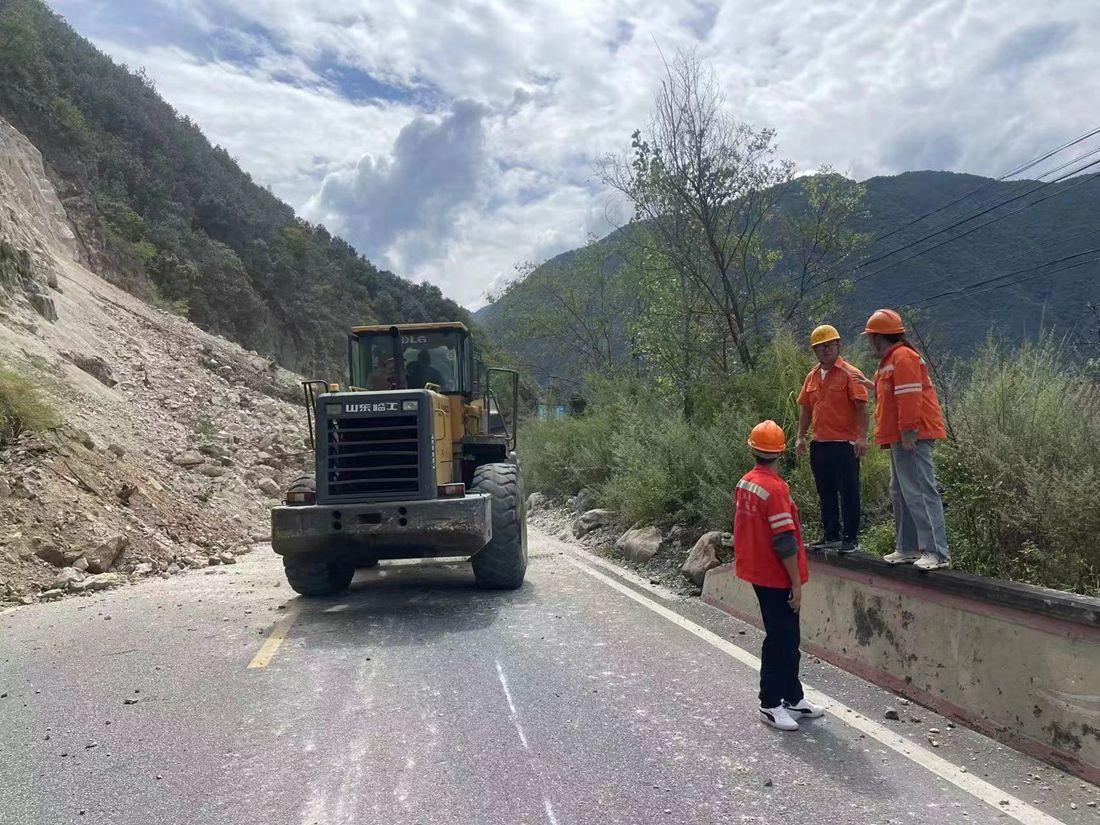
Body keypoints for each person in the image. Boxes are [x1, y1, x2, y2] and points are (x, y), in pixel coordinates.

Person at [733, 420, 824, 731]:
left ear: (753, 450)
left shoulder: (746, 482)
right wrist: (796, 584)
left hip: (758, 570)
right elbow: (784, 541)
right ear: (780, 453)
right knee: (780, 639)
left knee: (788, 637)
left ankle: (793, 696)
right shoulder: (775, 488)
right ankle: (770, 702)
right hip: (775, 576)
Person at [863, 309, 949, 571]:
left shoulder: (903, 358)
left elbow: (909, 398)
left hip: (912, 436)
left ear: (879, 337)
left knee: (921, 490)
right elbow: (891, 397)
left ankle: (936, 552)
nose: (869, 343)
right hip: (900, 437)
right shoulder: (892, 360)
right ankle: (908, 547)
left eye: (870, 337)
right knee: (901, 491)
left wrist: (909, 433)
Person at [795, 324, 870, 553]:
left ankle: (850, 538)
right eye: (820, 347)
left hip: (844, 444)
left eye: (829, 345)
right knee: (825, 491)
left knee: (848, 491)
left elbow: (862, 407)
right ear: (815, 351)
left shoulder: (850, 373)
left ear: (839, 345)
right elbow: (806, 409)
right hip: (820, 443)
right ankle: (831, 534)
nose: (825, 349)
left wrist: (862, 437)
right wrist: (801, 437)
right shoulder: (812, 376)